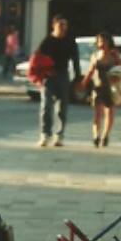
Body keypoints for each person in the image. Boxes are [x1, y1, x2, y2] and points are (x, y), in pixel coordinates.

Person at [35, 15, 81, 147]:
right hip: (48, 76)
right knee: (46, 105)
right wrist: (41, 74)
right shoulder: (47, 41)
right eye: (60, 24)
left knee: (62, 107)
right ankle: (45, 134)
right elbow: (37, 58)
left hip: (63, 75)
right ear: (53, 25)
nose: (63, 27)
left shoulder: (70, 41)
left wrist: (78, 77)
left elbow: (75, 59)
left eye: (65, 24)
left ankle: (59, 136)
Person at [81, 31, 121, 148]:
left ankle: (105, 136)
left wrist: (118, 78)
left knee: (109, 113)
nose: (102, 43)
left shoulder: (114, 55)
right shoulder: (95, 55)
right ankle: (96, 136)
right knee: (97, 114)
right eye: (100, 41)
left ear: (109, 42)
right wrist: (84, 83)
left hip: (111, 88)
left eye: (104, 41)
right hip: (98, 87)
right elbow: (90, 71)